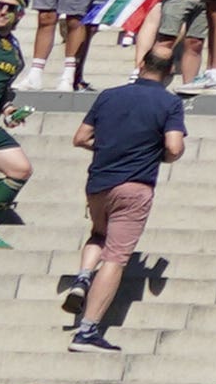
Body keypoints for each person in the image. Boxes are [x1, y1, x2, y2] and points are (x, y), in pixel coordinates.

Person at [65, 37, 188, 355]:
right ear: (170, 71)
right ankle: (87, 331)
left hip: (98, 183)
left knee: (98, 233)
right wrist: (158, 155)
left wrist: (107, 147)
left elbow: (80, 138)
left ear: (141, 64)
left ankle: (81, 278)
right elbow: (174, 147)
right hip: (134, 186)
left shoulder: (109, 96)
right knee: (116, 257)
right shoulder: (169, 103)